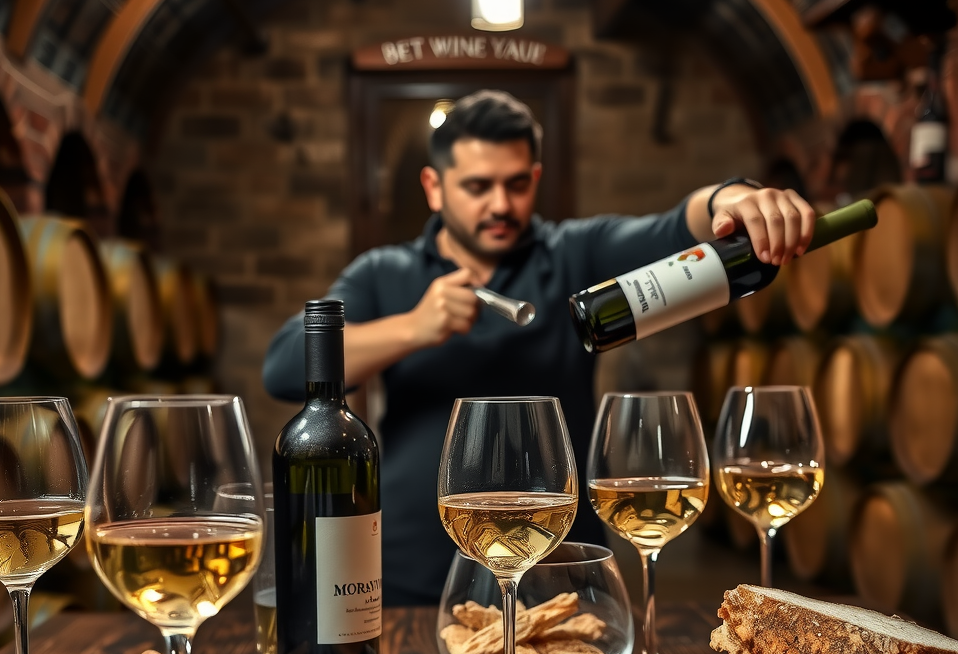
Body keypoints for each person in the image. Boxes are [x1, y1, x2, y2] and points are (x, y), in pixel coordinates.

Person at [263, 90, 814, 606]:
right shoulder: (385, 273)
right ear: (434, 187)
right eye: (478, 186)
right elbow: (286, 366)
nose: (500, 204)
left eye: (517, 184)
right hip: (411, 582)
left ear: (537, 177)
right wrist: (411, 328)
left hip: (561, 576)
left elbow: (676, 230)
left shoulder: (574, 253)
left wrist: (732, 197)